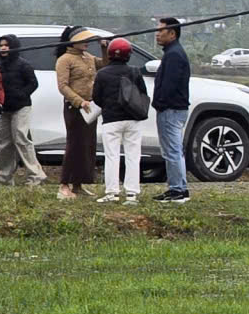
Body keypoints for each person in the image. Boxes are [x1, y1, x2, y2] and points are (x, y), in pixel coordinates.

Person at [94, 36, 152, 203]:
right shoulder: (134, 71)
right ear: (128, 55)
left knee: (112, 156)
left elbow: (96, 97)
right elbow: (142, 94)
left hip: (111, 120)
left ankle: (112, 193)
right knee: (133, 156)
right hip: (133, 120)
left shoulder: (102, 73)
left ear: (110, 54)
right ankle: (132, 194)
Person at [55, 27, 101, 200]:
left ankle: (78, 184)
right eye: (83, 40)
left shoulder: (88, 58)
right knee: (74, 145)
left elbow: (104, 63)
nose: (86, 43)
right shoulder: (65, 60)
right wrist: (79, 101)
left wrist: (104, 46)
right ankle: (64, 184)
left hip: (91, 108)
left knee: (86, 146)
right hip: (75, 108)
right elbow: (63, 86)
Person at [0, 33, 44, 186]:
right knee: (3, 142)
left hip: (21, 107)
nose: (3, 48)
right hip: (4, 109)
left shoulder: (23, 65)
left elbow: (33, 83)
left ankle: (35, 175)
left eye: (6, 45)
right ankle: (4, 177)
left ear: (13, 47)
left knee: (21, 139)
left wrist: (21, 94)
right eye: (1, 45)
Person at [151, 16, 192, 203]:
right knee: (174, 150)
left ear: (172, 33)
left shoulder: (174, 55)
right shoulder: (172, 52)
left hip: (171, 110)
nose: (157, 34)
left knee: (172, 151)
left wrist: (159, 103)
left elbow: (169, 85)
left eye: (161, 30)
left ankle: (177, 190)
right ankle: (179, 188)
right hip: (174, 109)